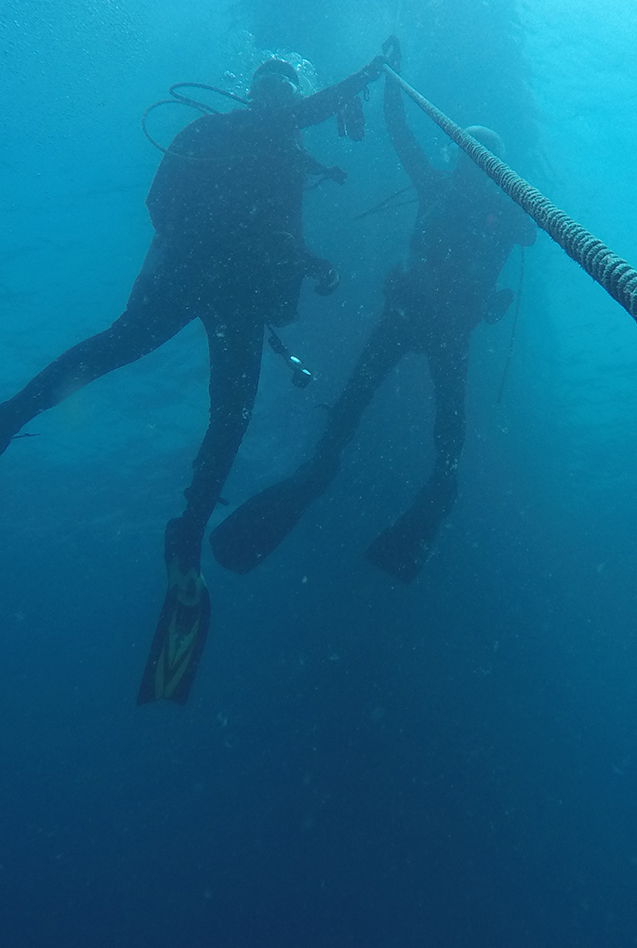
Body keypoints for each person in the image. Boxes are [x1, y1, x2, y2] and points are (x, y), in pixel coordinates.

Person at [0, 49, 391, 704]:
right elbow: (270, 168)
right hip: (222, 287)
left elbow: (189, 210)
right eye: (277, 91)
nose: (278, 101)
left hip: (194, 276)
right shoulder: (258, 132)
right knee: (221, 409)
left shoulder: (231, 138)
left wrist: (307, 262)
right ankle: (184, 534)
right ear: (266, 94)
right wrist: (371, 72)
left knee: (117, 356)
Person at [210, 39, 534, 583]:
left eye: (479, 160)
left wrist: (502, 212)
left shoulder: (493, 208)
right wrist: (389, 80)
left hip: (425, 324)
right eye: (467, 156)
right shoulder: (462, 197)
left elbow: (530, 230)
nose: (469, 167)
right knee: (386, 413)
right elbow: (403, 134)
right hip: (420, 322)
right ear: (461, 157)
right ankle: (349, 478)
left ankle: (387, 485)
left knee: (420, 420)